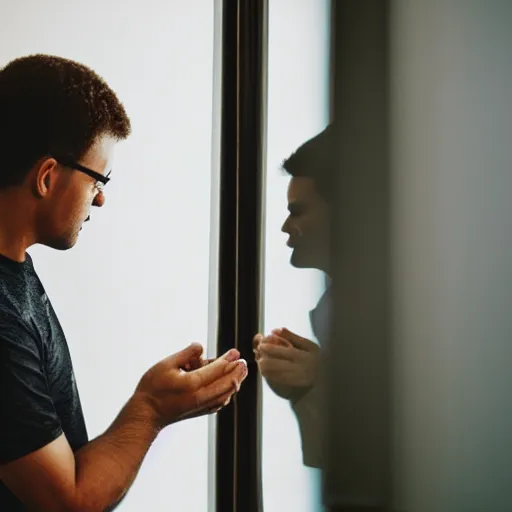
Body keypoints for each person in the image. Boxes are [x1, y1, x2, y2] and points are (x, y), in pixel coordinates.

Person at [0, 54, 248, 511]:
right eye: (99, 177)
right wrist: (151, 408)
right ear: (48, 176)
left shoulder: (15, 272)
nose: (101, 197)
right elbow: (65, 502)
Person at [253, 124, 335, 468]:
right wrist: (307, 386)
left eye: (298, 211)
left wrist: (323, 378)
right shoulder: (334, 308)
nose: (286, 227)